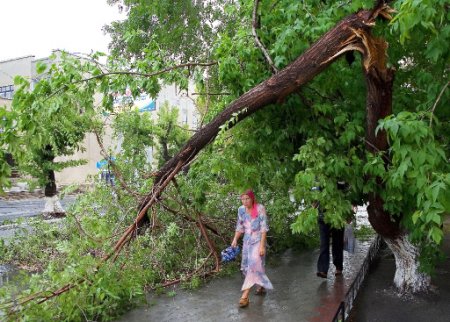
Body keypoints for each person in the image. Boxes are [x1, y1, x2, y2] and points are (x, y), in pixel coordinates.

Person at [231, 189, 273, 308]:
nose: (245, 201)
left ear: (252, 198)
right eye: (242, 199)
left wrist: (261, 246)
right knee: (245, 266)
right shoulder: (241, 210)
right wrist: (235, 239)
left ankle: (245, 296)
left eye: (247, 198)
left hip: (258, 240)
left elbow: (264, 229)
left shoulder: (260, 208)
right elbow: (239, 227)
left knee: (254, 265)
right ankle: (260, 286)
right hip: (247, 241)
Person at [313, 185, 345, 279]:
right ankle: (323, 270)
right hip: (323, 218)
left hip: (338, 217)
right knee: (324, 244)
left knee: (337, 243)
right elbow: (314, 197)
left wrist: (349, 212)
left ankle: (338, 267)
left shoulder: (341, 178)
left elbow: (347, 193)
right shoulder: (318, 180)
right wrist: (314, 202)